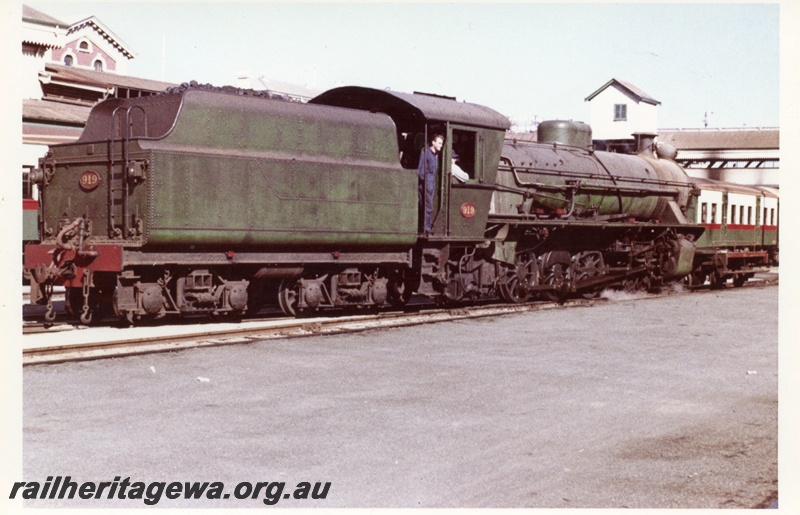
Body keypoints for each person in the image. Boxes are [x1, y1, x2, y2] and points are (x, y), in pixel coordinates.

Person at [417, 133, 443, 235]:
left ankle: (426, 226)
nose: (441, 145)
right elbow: (421, 171)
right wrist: (425, 184)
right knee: (427, 206)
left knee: (429, 206)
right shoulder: (426, 153)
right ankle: (426, 227)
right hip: (427, 184)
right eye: (439, 143)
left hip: (431, 184)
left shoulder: (435, 155)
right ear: (433, 142)